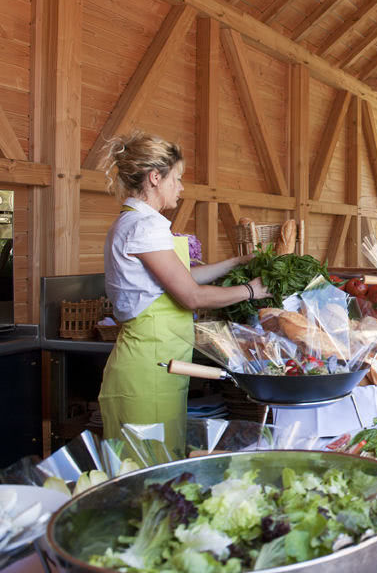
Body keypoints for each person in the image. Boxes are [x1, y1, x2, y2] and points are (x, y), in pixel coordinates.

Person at [98, 132, 271, 448]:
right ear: (154, 178)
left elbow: (184, 276)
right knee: (148, 472)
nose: (180, 187)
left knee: (159, 466)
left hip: (160, 366)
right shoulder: (143, 227)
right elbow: (190, 294)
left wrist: (235, 262)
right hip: (147, 370)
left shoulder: (137, 222)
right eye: (175, 179)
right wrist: (250, 290)